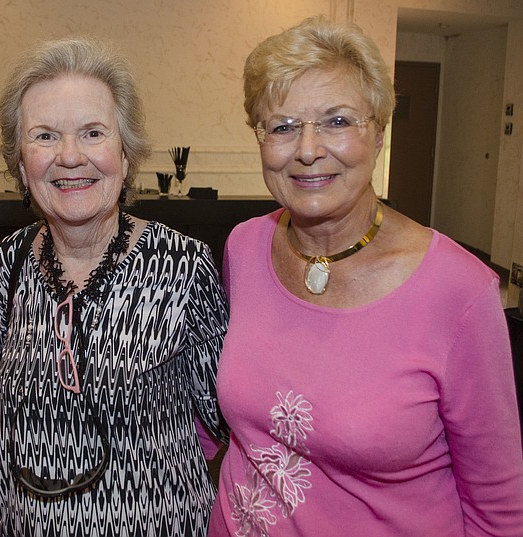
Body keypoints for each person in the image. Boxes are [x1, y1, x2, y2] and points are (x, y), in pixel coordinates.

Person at [209, 16, 523, 537]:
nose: (307, 149)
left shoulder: (459, 292)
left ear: (379, 133)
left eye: (337, 121)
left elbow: (500, 508)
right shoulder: (245, 246)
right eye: (282, 126)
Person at [0, 38, 229, 535]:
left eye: (92, 133)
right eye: (44, 136)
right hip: (16, 520)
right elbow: (8, 380)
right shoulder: (10, 261)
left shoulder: (184, 267)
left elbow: (221, 415)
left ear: (126, 155)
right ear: (20, 163)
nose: (69, 157)